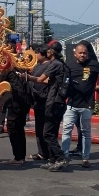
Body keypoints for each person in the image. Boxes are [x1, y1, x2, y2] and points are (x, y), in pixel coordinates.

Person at [62, 41, 99, 168]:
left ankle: (85, 158)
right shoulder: (69, 65)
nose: (82, 55)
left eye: (85, 53)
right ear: (75, 54)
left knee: (85, 132)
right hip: (71, 104)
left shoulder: (94, 64)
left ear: (87, 54)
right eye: (80, 53)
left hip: (86, 105)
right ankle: (64, 156)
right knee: (66, 130)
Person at [28, 41, 68, 170]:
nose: (47, 51)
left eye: (48, 50)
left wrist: (26, 77)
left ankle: (60, 158)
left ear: (51, 52)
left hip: (54, 102)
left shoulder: (55, 64)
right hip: (57, 101)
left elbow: (40, 79)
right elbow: (46, 81)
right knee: (51, 132)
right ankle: (52, 159)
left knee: (47, 133)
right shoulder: (60, 64)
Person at [2, 63, 33, 164]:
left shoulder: (8, 69)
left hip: (15, 103)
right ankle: (21, 156)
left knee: (12, 128)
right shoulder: (22, 67)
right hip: (25, 103)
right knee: (19, 129)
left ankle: (18, 157)